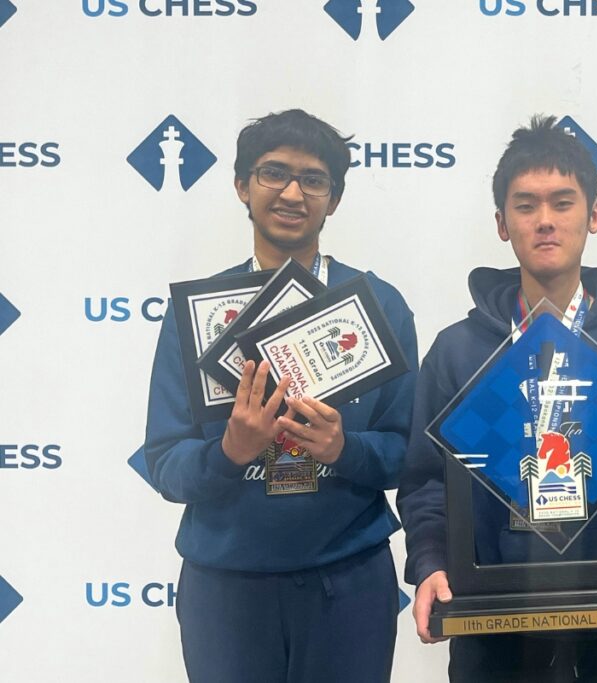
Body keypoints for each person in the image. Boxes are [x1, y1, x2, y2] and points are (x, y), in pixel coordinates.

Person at [397, 115, 597, 683]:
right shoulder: (459, 352)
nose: (545, 221)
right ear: (501, 223)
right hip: (494, 621)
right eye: (526, 205)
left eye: (563, 203)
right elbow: (425, 483)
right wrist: (431, 564)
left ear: (593, 216)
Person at [144, 109, 417, 683]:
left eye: (314, 180)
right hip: (225, 586)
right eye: (274, 173)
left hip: (347, 581)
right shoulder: (196, 319)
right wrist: (229, 451)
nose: (293, 192)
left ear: (333, 200)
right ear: (242, 185)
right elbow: (164, 462)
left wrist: (346, 448)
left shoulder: (377, 308)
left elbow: (409, 454)